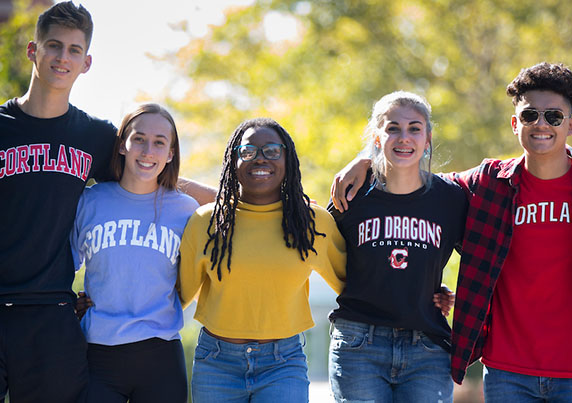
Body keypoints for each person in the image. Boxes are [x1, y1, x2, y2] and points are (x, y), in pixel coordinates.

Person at [332, 62, 572, 401]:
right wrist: (366, 158)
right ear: (515, 124)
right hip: (506, 370)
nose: (541, 124)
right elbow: (409, 173)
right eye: (530, 116)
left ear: (571, 124)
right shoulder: (488, 184)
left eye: (554, 117)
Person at [0, 2, 114, 401]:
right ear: (33, 50)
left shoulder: (95, 137)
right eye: (53, 46)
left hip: (51, 317)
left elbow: (149, 178)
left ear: (87, 62)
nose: (62, 57)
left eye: (74, 50)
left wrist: (225, 198)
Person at [178, 118, 347, 402]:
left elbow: (354, 285)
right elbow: (178, 295)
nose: (260, 159)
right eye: (248, 151)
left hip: (283, 364)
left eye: (271, 150)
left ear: (287, 159)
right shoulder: (206, 222)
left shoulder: (311, 222)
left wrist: (423, 296)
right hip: (216, 363)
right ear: (233, 159)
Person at [326, 91, 467, 402]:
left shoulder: (452, 198)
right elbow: (321, 253)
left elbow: (484, 257)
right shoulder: (352, 193)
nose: (404, 137)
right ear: (378, 136)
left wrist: (453, 293)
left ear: (428, 138)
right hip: (359, 343)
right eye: (393, 128)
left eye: (415, 128)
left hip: (427, 348)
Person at [70, 104, 197, 402]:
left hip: (161, 356)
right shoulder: (89, 202)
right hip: (97, 355)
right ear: (123, 145)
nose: (147, 150)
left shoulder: (187, 210)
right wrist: (68, 303)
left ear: (170, 154)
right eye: (139, 138)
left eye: (159, 142)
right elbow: (59, 267)